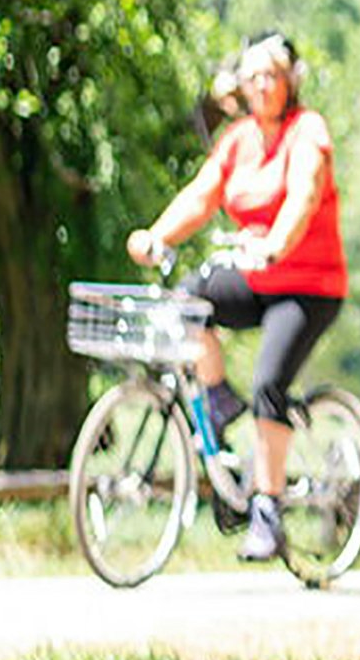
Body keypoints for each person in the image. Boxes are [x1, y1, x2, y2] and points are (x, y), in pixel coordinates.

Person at [127, 31, 348, 562]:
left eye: (273, 75)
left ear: (290, 80)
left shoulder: (307, 131)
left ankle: (267, 512)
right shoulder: (239, 140)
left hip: (307, 285)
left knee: (270, 382)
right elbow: (203, 195)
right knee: (187, 302)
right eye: (253, 77)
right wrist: (156, 236)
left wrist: (275, 244)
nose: (263, 86)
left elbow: (304, 193)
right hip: (255, 279)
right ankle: (220, 397)